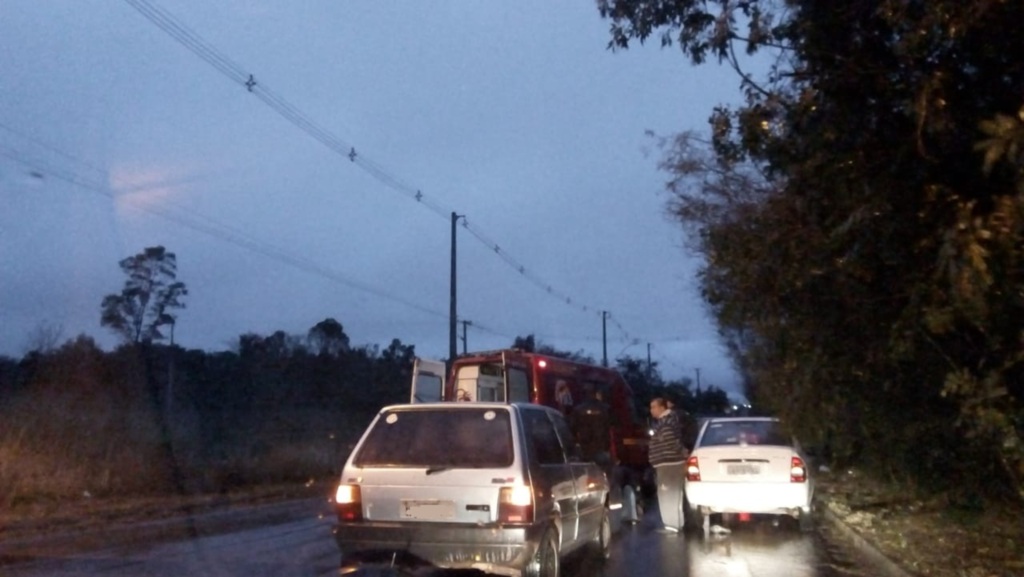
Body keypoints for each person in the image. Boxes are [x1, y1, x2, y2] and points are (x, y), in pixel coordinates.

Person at [648, 396, 689, 533]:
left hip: (668, 463)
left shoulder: (665, 422)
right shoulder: (671, 419)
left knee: (667, 494)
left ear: (662, 408)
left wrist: (681, 451)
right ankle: (677, 523)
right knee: (675, 494)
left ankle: (671, 525)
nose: (651, 410)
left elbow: (669, 439)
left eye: (653, 407)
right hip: (673, 462)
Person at [570, 384, 612, 469]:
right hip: (601, 447)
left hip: (585, 448)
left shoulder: (578, 410)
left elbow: (572, 428)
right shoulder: (605, 409)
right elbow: (610, 427)